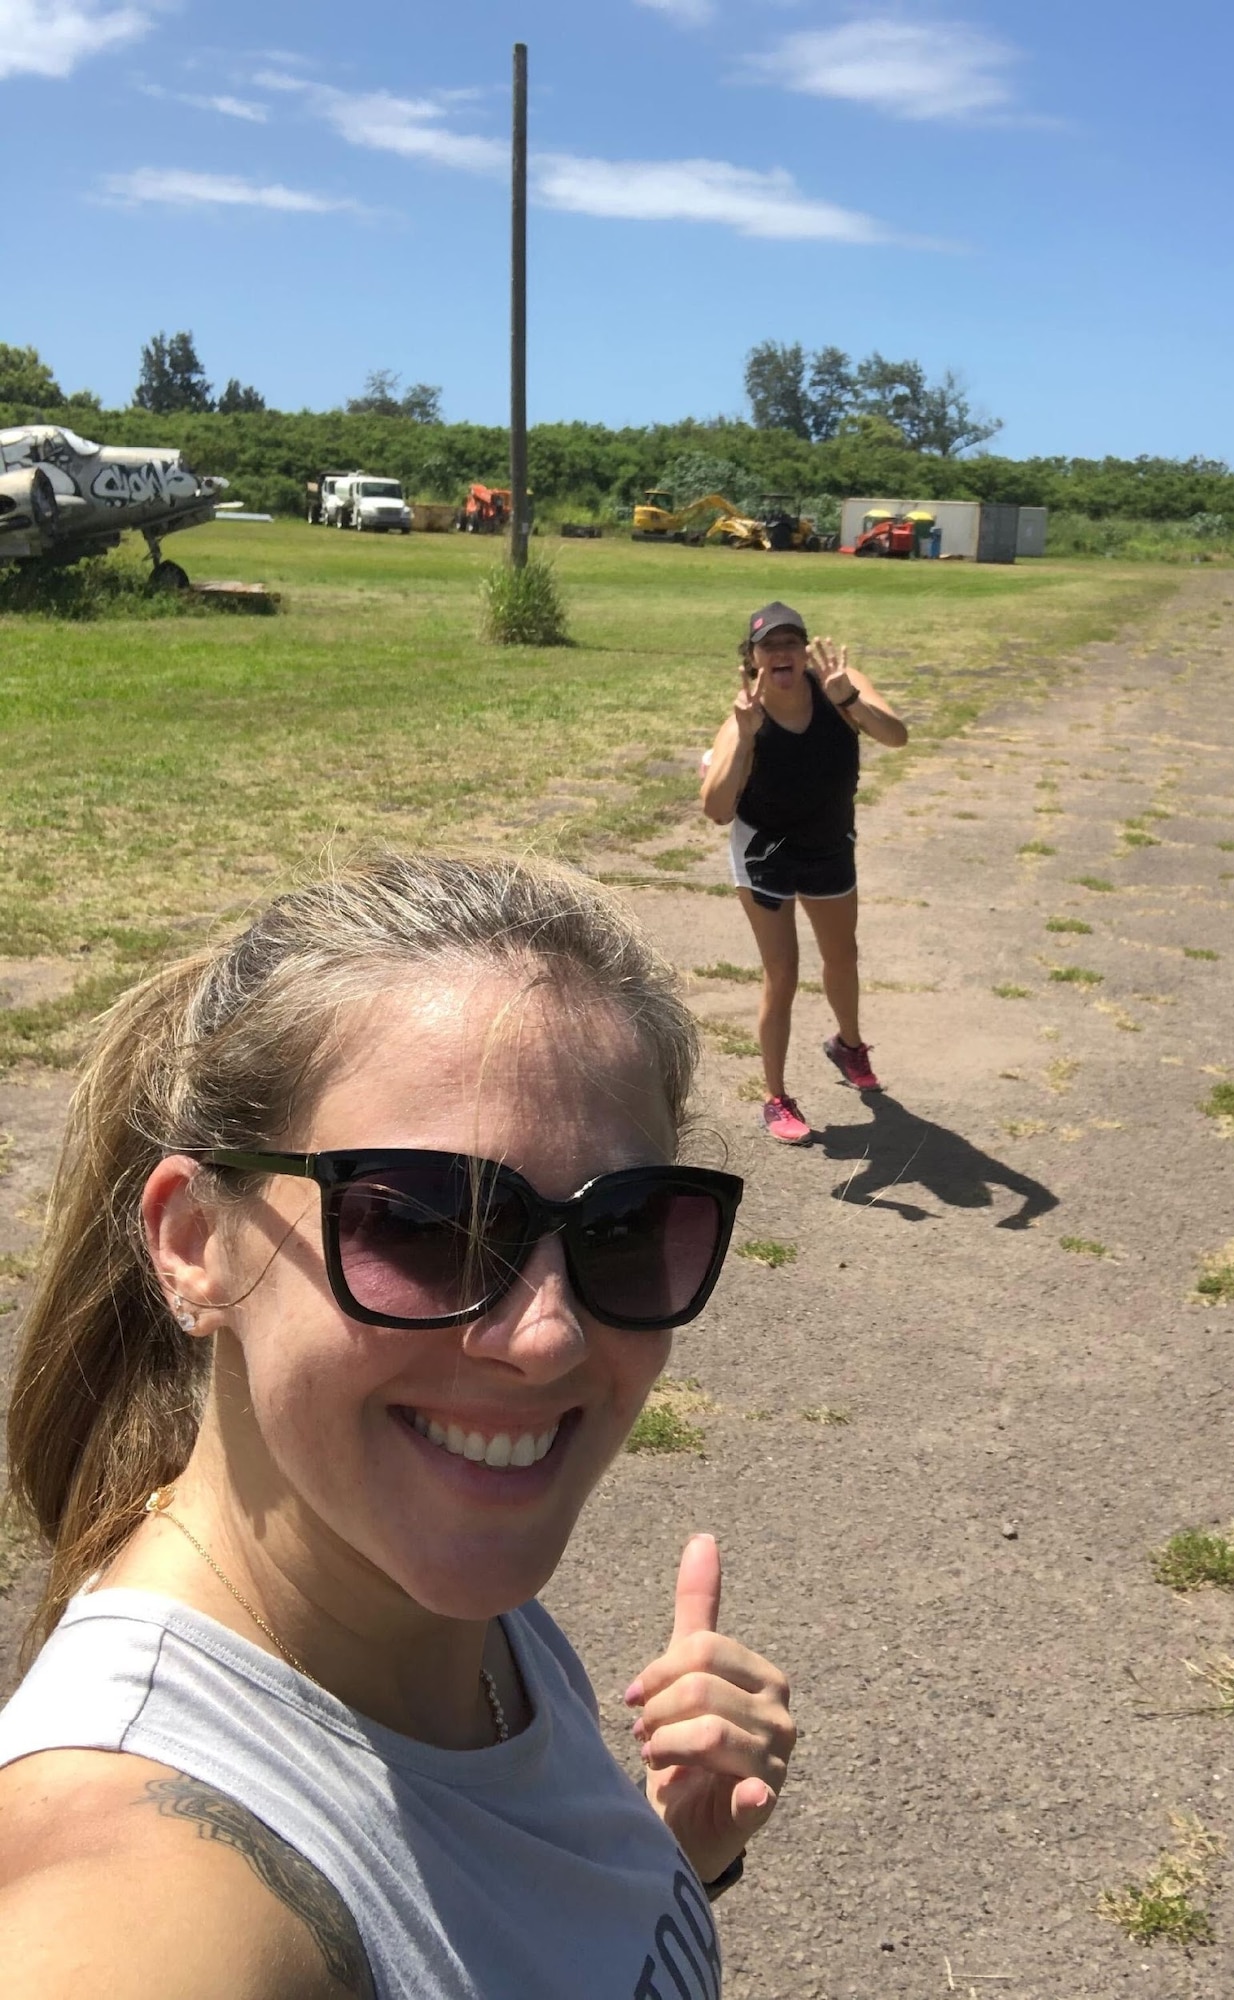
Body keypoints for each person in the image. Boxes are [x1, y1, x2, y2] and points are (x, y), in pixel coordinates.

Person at [0, 853, 795, 1999]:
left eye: (622, 1228)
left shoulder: (426, 1593)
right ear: (192, 1240)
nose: (548, 1336)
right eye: (424, 1222)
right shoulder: (144, 1887)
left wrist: (660, 1861)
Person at [700, 601, 908, 1145]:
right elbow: (716, 808)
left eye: (792, 642)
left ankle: (848, 1045)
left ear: (807, 651)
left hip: (828, 844)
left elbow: (896, 737)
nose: (782, 653)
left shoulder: (841, 687)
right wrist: (745, 737)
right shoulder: (743, 718)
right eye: (769, 645)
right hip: (765, 851)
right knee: (783, 972)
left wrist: (850, 699)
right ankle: (776, 1096)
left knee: (843, 957)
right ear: (752, 659)